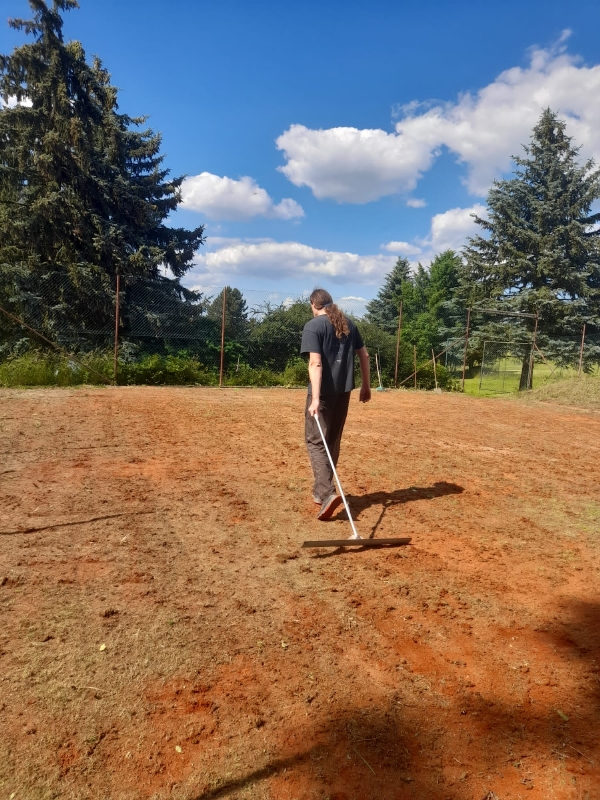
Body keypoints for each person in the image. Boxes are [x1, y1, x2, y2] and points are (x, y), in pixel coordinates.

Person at [300, 288, 371, 520]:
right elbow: (364, 355)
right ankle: (321, 492)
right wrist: (366, 386)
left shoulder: (313, 326)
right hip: (344, 392)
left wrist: (315, 399)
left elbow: (316, 364)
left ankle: (327, 493)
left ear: (313, 304)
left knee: (315, 441)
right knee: (331, 441)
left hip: (323, 394)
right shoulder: (348, 323)